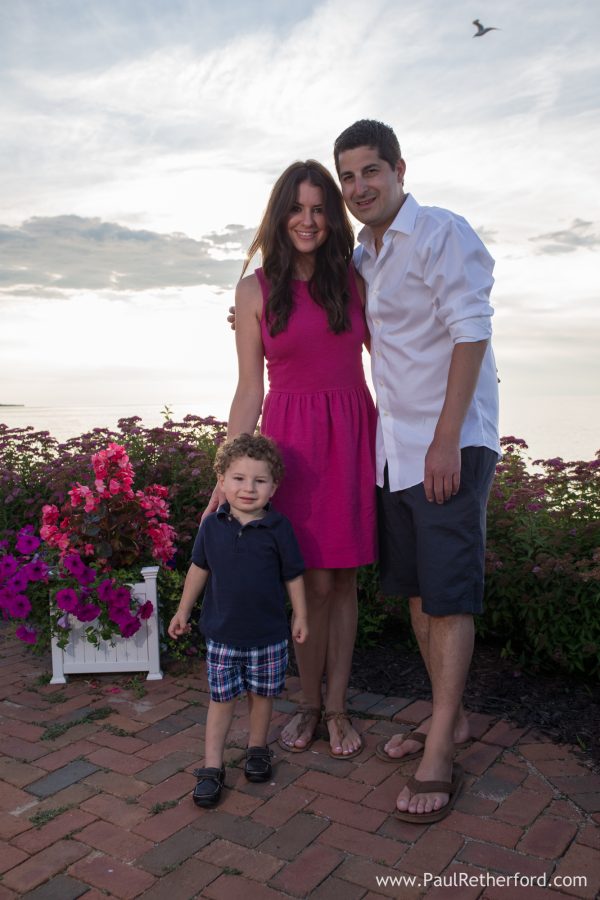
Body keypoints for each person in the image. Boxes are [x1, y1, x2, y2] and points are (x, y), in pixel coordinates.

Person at [333, 119, 500, 823]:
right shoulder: (364, 258)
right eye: (347, 176)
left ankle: (442, 754)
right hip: (392, 449)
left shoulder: (440, 233)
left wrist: (444, 440)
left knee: (450, 595)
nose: (358, 187)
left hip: (448, 445)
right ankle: (448, 717)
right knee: (416, 592)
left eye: (370, 171)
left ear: (400, 168)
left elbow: (471, 330)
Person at [208, 160, 377, 759]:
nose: (308, 221)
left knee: (342, 577)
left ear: (333, 217)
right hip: (290, 442)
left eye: (319, 209)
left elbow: (401, 343)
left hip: (352, 433)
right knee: (304, 577)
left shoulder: (356, 278)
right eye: (297, 208)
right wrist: (226, 472)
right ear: (279, 214)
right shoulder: (253, 289)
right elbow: (250, 387)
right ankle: (308, 705)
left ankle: (337, 708)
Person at [168, 433, 308, 807]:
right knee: (222, 700)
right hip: (222, 636)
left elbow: (293, 575)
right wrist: (183, 610)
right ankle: (212, 766)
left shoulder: (279, 529)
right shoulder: (212, 527)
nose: (248, 488)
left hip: (268, 636)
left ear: (273, 486)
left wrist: (301, 614)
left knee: (262, 696)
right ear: (222, 481)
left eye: (259, 481)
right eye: (238, 479)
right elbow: (198, 569)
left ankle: (257, 749)